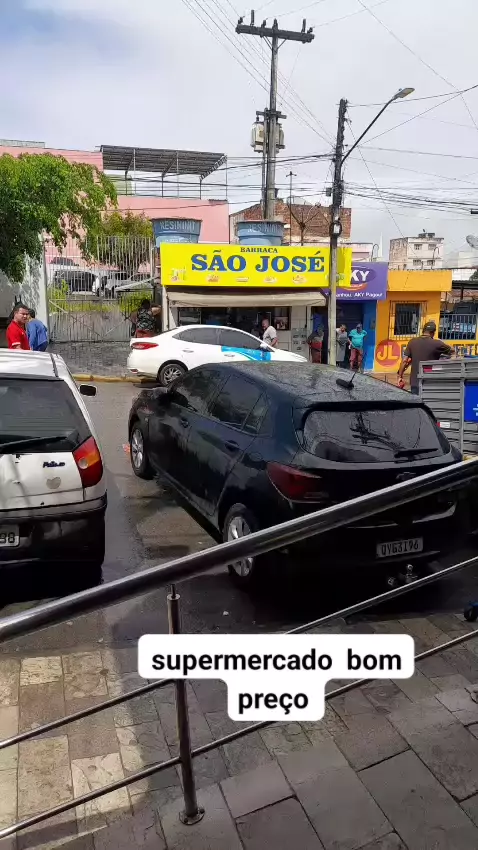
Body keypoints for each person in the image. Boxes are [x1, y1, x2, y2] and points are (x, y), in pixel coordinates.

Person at [398, 320, 453, 395]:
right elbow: (452, 351)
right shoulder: (437, 343)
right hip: (430, 382)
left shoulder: (412, 342)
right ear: (433, 332)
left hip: (415, 382)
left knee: (415, 401)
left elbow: (405, 361)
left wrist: (400, 376)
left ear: (423, 330)